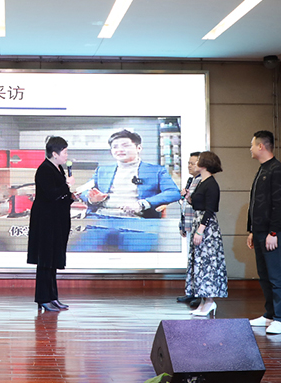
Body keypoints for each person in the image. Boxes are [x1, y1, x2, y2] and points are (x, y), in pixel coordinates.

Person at [247, 130, 281, 335]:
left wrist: (273, 232)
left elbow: (279, 204)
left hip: (272, 233)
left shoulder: (278, 170)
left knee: (276, 275)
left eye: (252, 144)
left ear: (261, 146)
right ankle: (270, 315)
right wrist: (251, 230)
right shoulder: (262, 169)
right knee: (264, 275)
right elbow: (256, 204)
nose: (250, 149)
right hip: (259, 231)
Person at [80, 130, 180, 219]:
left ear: (138, 148)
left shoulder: (156, 171)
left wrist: (143, 204)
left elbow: (173, 192)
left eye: (125, 146)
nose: (119, 150)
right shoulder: (102, 171)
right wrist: (92, 199)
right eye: (115, 147)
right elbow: (83, 191)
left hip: (135, 219)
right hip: (101, 217)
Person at [27, 136, 75, 312]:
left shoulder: (58, 168)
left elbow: (60, 196)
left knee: (53, 260)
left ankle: (53, 297)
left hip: (56, 220)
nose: (66, 156)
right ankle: (43, 298)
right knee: (45, 260)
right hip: (45, 222)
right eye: (65, 152)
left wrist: (70, 196)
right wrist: (66, 185)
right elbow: (51, 194)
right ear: (55, 154)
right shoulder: (44, 169)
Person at [186, 151, 228, 317]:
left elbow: (210, 210)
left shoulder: (211, 184)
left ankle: (210, 301)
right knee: (200, 263)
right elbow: (197, 203)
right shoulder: (201, 182)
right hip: (199, 222)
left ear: (205, 164)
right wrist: (189, 198)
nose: (194, 164)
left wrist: (200, 230)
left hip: (206, 227)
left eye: (198, 161)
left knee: (207, 263)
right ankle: (204, 301)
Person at [177, 151, 202, 306]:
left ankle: (198, 294)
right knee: (190, 261)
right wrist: (182, 225)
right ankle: (190, 292)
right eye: (188, 163)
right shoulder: (190, 180)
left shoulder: (202, 181)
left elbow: (197, 204)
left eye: (193, 163)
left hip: (197, 226)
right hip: (188, 225)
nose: (189, 166)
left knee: (198, 261)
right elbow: (184, 204)